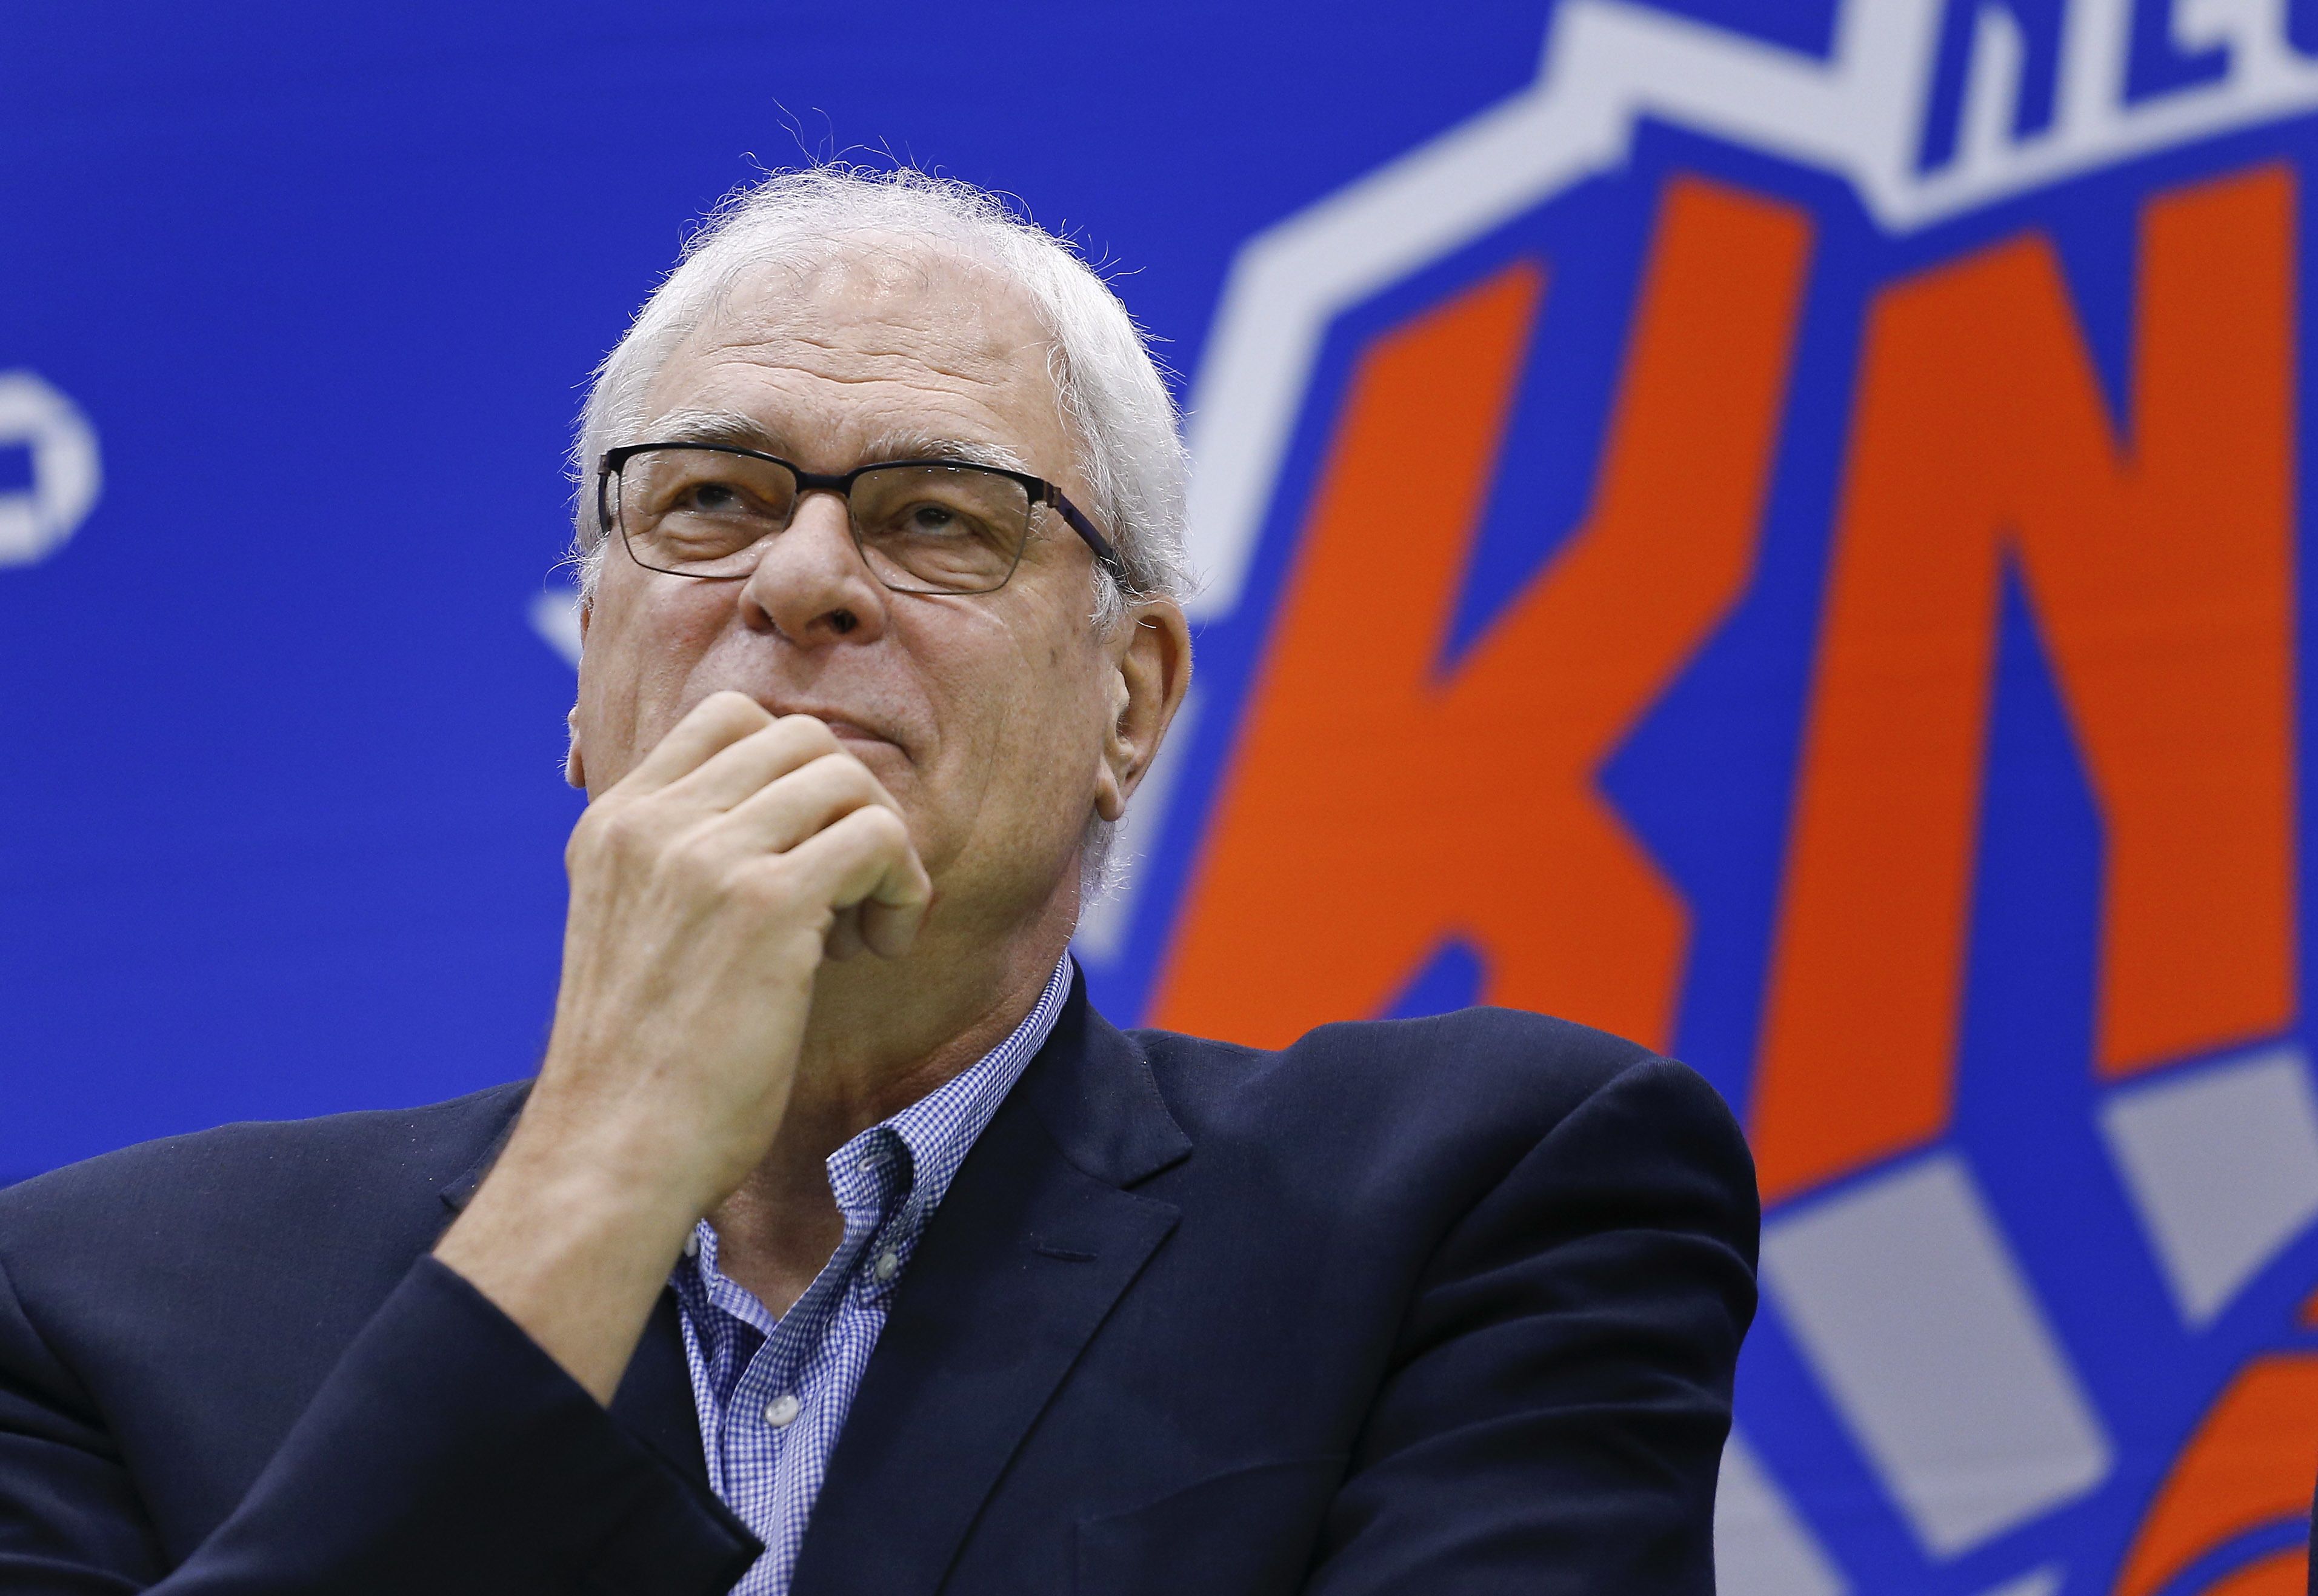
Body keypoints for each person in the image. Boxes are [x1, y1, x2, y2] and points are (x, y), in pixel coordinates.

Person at [0, 165, 1759, 1595]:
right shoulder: (102, 1302)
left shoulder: (1466, 1202)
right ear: (590, 670)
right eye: (709, 501)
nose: (802, 579)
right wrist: (603, 1168)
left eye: (937, 517)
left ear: (1129, 703)